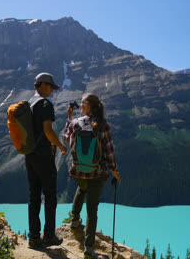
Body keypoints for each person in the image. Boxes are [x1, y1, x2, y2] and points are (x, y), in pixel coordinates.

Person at [62, 93, 121, 259]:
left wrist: (69, 118)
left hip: (78, 171)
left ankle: (74, 220)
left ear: (88, 106)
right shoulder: (103, 125)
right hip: (97, 173)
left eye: (82, 103)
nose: (80, 105)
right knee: (92, 210)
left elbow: (65, 138)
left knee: (82, 188)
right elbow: (109, 152)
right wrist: (115, 172)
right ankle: (88, 249)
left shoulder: (75, 123)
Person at [26, 72, 67, 248]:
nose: (52, 90)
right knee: (50, 195)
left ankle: (34, 237)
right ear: (42, 84)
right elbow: (48, 130)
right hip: (43, 155)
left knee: (34, 195)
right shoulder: (44, 104)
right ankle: (49, 235)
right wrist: (60, 145)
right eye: (50, 86)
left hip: (30, 155)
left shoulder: (29, 103)